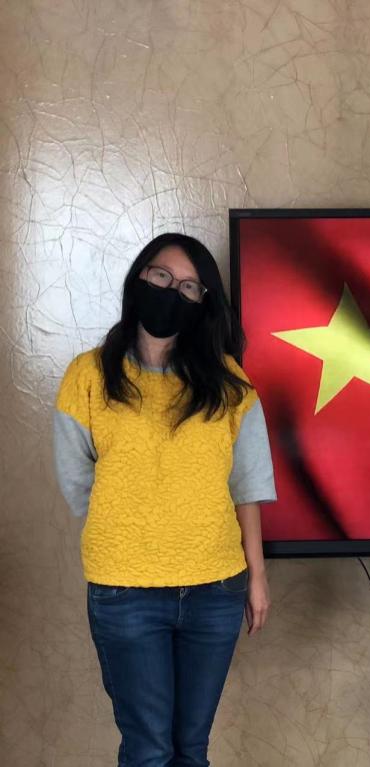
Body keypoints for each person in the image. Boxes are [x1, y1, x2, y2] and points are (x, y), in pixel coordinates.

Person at [53, 232, 277, 766]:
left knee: (191, 749)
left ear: (203, 301)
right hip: (124, 592)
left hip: (215, 591)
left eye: (189, 287)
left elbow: (247, 485)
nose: (173, 291)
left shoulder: (229, 382)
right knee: (149, 750)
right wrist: (130, 522)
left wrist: (257, 577)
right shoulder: (88, 375)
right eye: (162, 276)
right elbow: (77, 480)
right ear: (139, 277)